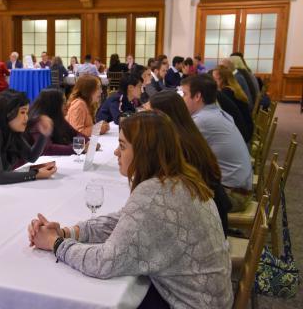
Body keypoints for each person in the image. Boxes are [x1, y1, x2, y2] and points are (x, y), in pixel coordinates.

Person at [28, 111, 233, 308]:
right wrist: (67, 232)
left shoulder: (154, 193)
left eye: (122, 146)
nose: (116, 152)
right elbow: (122, 220)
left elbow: (104, 262)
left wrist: (54, 243)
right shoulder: (179, 179)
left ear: (145, 152)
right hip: (211, 298)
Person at [148, 91, 232, 236]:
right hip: (212, 214)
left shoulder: (178, 144)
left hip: (207, 228)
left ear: (162, 117)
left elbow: (166, 189)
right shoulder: (188, 132)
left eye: (150, 115)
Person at [181, 75, 252, 212]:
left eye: (184, 94)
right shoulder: (216, 113)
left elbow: (177, 151)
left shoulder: (202, 120)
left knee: (176, 199)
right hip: (239, 189)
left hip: (233, 195)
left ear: (197, 96)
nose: (182, 99)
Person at [0, 90, 56, 189]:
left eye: (27, 113)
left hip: (1, 188)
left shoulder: (13, 132)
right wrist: (35, 174)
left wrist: (43, 134)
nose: (26, 118)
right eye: (22, 112)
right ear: (8, 113)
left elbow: (31, 157)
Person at [28, 89, 88, 156]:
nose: (67, 105)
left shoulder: (58, 119)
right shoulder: (38, 122)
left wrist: (85, 144)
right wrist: (78, 148)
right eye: (63, 103)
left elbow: (77, 134)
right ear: (54, 105)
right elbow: (47, 149)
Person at [212, 66, 254, 143]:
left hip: (243, 135)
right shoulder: (234, 89)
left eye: (214, 79)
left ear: (222, 79)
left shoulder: (226, 92)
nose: (212, 82)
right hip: (248, 129)